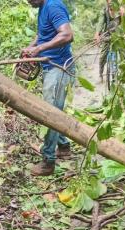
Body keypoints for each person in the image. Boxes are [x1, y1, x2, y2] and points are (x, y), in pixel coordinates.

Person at [23, 0, 75, 176]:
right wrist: (32, 47)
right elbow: (42, 34)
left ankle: (48, 161)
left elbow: (67, 35)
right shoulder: (43, 7)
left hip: (59, 68)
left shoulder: (53, 6)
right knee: (55, 109)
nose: (28, 1)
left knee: (50, 113)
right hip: (50, 66)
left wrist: (40, 48)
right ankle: (64, 146)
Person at [94, 0, 125, 82]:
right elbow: (100, 23)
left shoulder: (120, 10)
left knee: (124, 55)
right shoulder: (104, 11)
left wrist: (124, 15)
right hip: (107, 36)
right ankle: (100, 74)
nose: (111, 3)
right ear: (107, 2)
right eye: (109, 1)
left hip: (118, 36)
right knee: (102, 57)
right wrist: (97, 33)